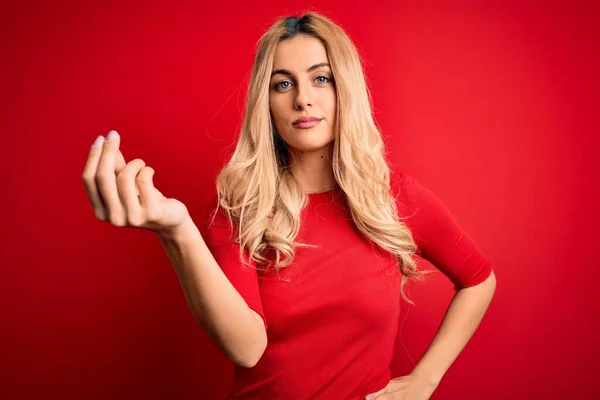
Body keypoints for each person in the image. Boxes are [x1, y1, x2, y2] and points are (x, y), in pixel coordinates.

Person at [81, 11, 496, 400]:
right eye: (283, 84)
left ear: (345, 89)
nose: (302, 99)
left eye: (321, 79)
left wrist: (425, 379)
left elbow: (479, 280)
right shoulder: (239, 208)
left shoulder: (394, 199)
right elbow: (246, 347)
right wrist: (178, 231)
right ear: (267, 102)